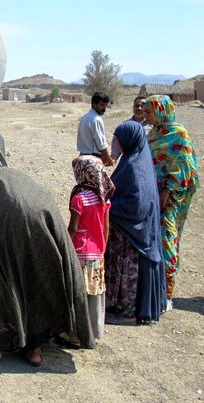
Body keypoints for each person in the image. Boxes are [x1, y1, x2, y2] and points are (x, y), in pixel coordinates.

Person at [0, 155, 94, 367]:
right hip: (44, 214)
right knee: (35, 277)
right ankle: (34, 350)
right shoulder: (2, 173)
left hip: (12, 221)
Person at [105, 121, 166, 324]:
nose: (115, 142)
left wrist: (108, 206)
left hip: (132, 235)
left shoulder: (133, 166)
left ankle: (127, 313)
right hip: (134, 231)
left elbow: (136, 204)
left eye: (118, 139)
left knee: (128, 271)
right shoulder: (136, 160)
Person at [143, 95, 200, 309]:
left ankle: (167, 293)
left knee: (168, 239)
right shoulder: (154, 134)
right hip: (153, 195)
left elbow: (187, 168)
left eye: (150, 112)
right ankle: (153, 287)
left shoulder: (179, 134)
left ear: (161, 111)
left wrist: (167, 190)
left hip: (172, 198)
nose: (146, 116)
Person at [67, 156, 114, 339]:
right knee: (94, 293)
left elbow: (73, 228)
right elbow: (106, 226)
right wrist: (102, 248)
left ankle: (76, 334)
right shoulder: (104, 199)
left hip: (80, 252)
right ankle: (94, 330)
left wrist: (65, 247)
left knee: (78, 293)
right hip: (97, 253)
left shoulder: (79, 199)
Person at [77, 91, 114, 166]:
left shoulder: (84, 118)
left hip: (82, 159)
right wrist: (109, 160)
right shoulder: (96, 119)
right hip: (92, 160)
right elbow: (101, 145)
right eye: (102, 105)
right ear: (94, 104)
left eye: (105, 105)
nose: (104, 108)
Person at [110, 96, 152, 160]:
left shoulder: (152, 126)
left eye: (142, 106)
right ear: (133, 107)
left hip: (148, 162)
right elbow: (116, 145)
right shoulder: (125, 126)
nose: (139, 108)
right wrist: (114, 158)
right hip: (130, 163)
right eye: (137, 106)